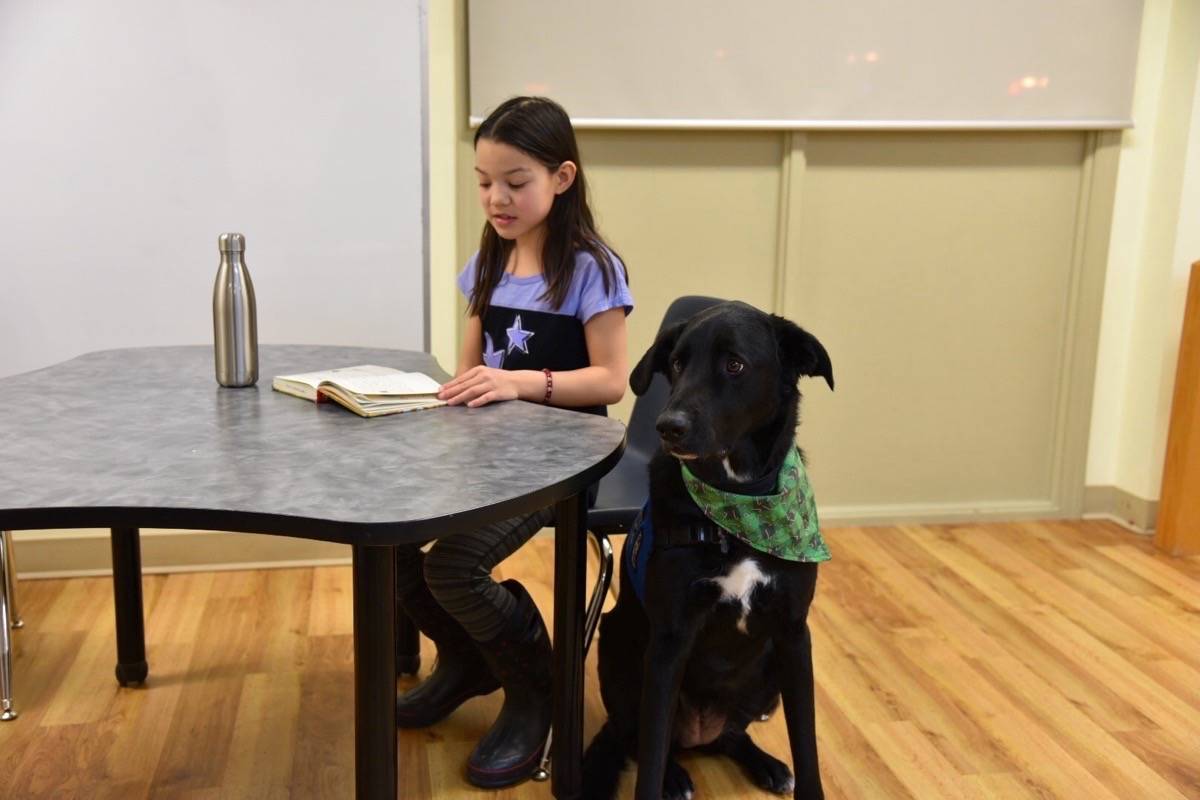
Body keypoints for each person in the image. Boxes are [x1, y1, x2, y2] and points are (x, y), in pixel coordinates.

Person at [395, 96, 633, 788]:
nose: (495, 198)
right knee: (394, 538)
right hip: (491, 449)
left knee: (451, 567)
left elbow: (612, 382)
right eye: (483, 181)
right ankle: (469, 657)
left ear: (562, 177)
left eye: (514, 182)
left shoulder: (593, 268)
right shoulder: (490, 261)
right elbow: (471, 370)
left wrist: (519, 384)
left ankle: (533, 689)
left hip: (564, 457)